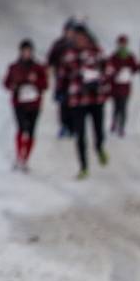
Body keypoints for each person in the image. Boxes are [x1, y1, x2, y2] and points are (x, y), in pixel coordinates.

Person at [57, 25, 110, 179]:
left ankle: (99, 147)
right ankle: (83, 166)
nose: (80, 41)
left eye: (83, 38)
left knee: (98, 129)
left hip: (96, 98)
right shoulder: (69, 55)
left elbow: (107, 71)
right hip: (77, 100)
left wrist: (101, 84)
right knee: (80, 134)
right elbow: (62, 76)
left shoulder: (97, 53)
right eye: (77, 38)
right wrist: (61, 94)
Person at [2, 38, 48, 172]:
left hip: (34, 104)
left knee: (32, 131)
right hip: (19, 103)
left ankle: (26, 158)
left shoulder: (38, 68)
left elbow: (45, 85)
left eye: (29, 51)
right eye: (24, 51)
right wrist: (14, 86)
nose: (27, 54)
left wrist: (34, 83)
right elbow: (6, 83)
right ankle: (19, 155)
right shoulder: (14, 67)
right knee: (21, 128)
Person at [46, 19, 75, 138]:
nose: (70, 33)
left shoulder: (79, 44)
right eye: (68, 30)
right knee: (63, 105)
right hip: (61, 80)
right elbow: (50, 60)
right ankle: (64, 126)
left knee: (75, 105)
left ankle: (73, 127)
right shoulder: (59, 44)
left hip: (76, 80)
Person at [106, 34, 139, 138]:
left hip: (125, 86)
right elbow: (109, 70)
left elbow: (135, 68)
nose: (122, 45)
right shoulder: (113, 57)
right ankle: (114, 123)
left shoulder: (130, 56)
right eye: (121, 43)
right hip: (115, 87)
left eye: (124, 43)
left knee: (123, 107)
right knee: (116, 107)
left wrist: (128, 72)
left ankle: (122, 127)